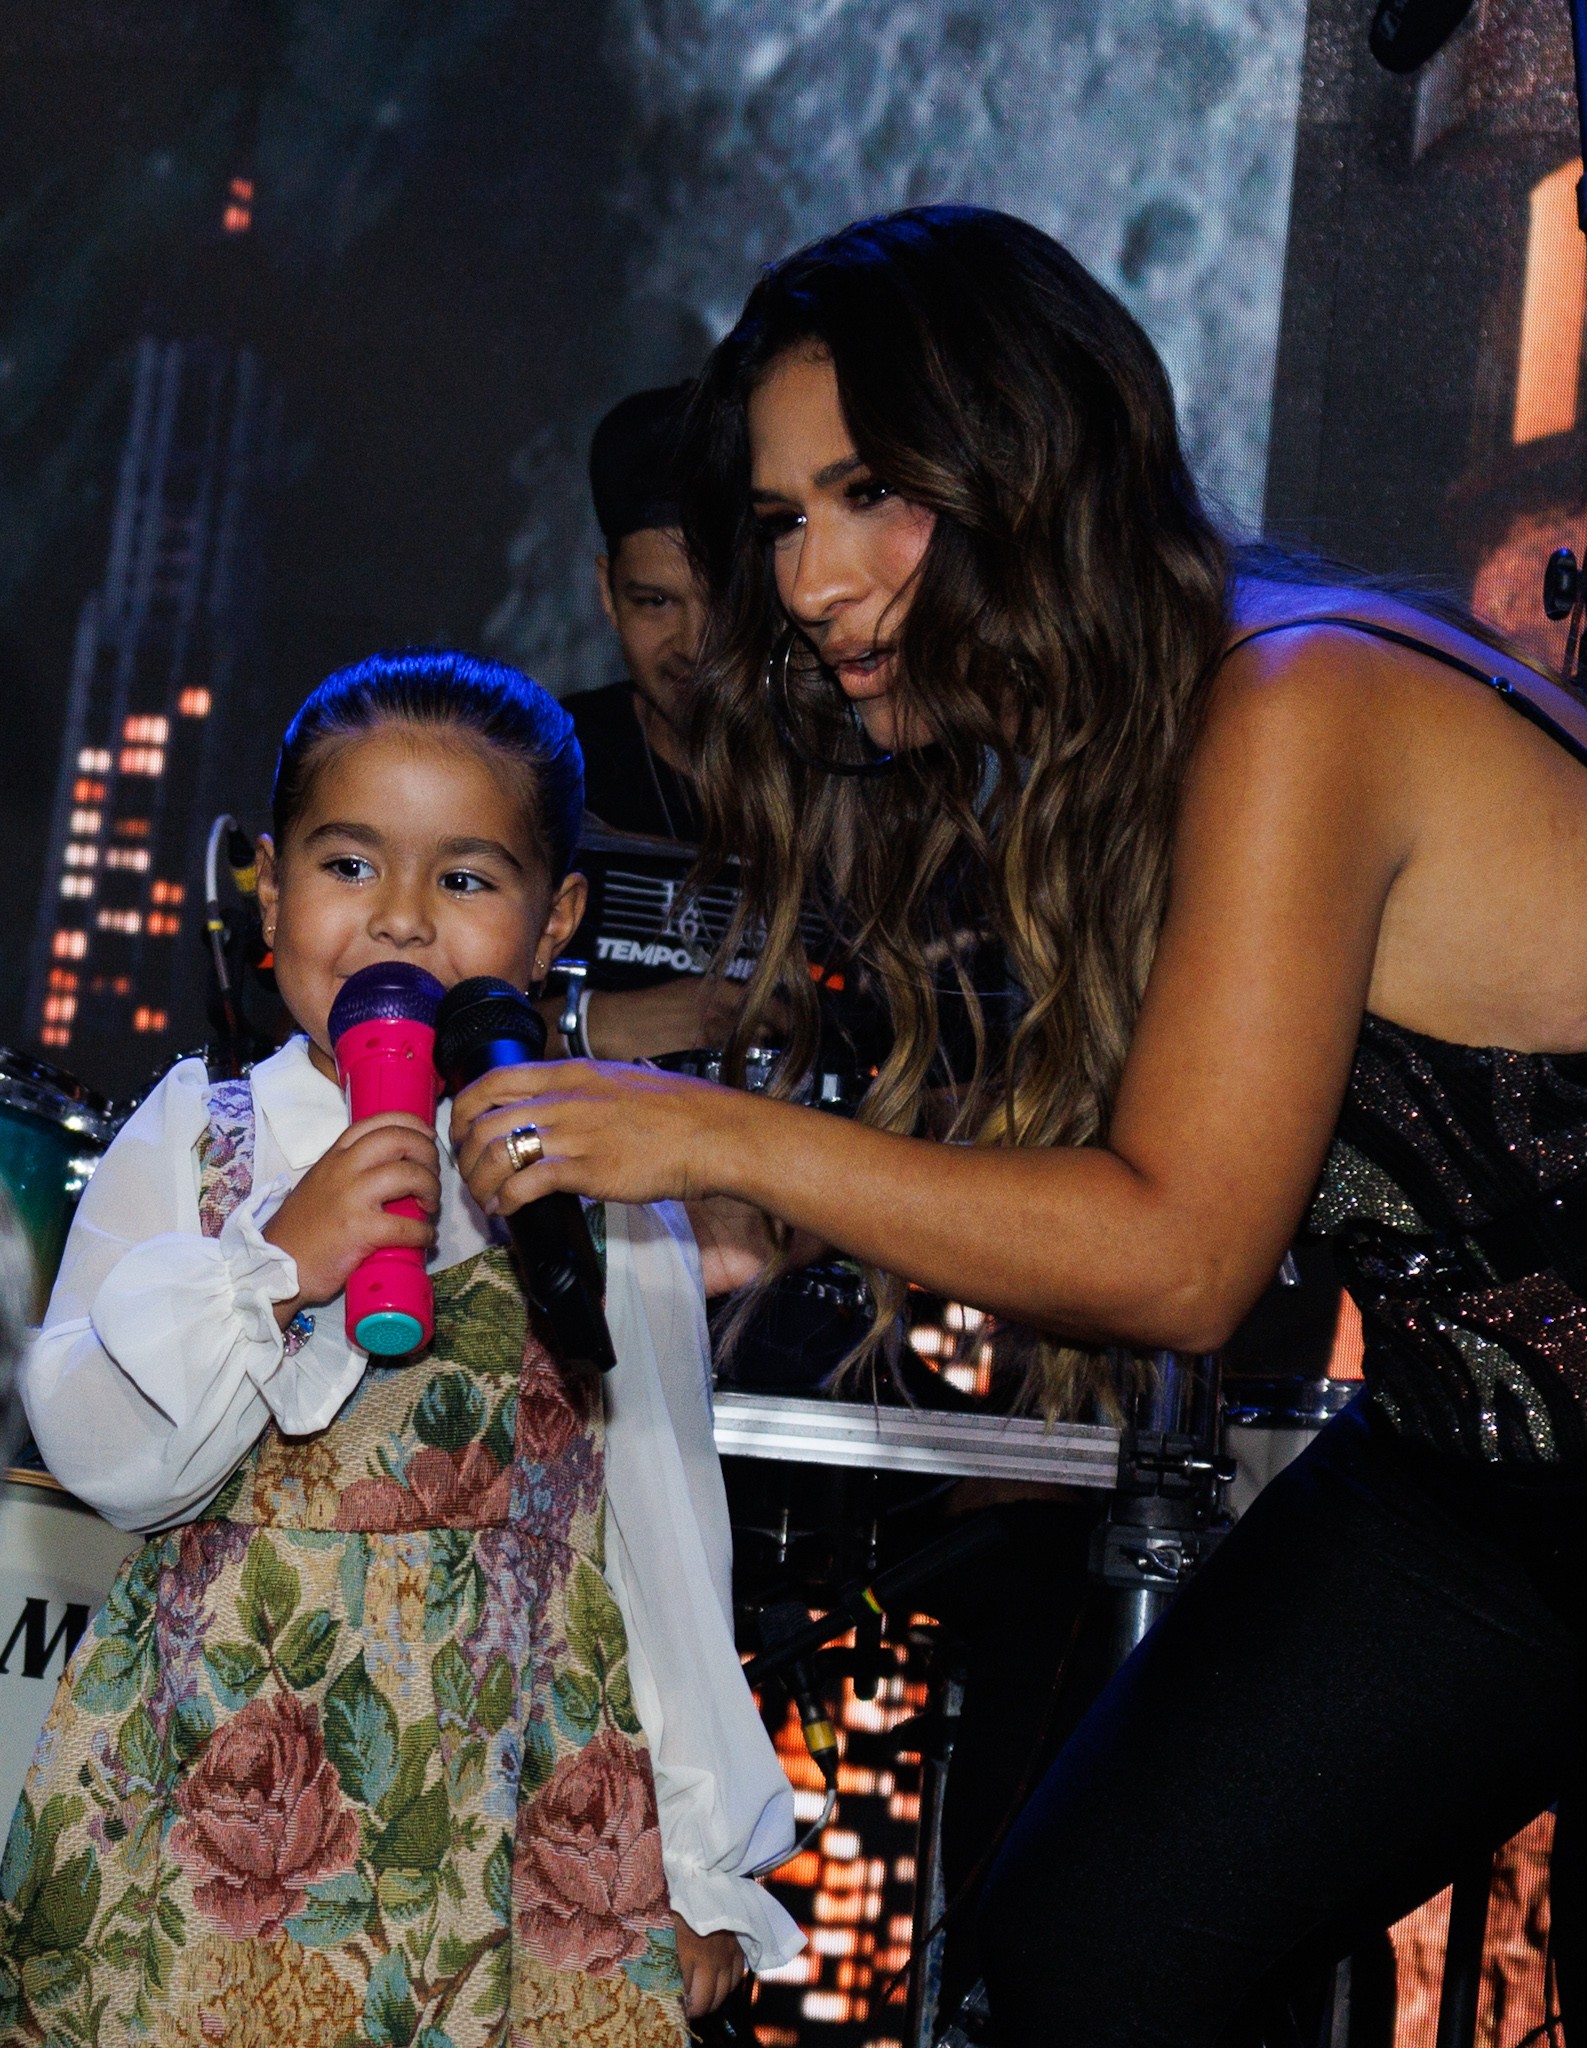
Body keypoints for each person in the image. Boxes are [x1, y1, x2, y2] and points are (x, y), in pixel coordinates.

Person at [439, 206, 1587, 2042]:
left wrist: (715, 1140)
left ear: (1024, 463)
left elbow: (1186, 1255)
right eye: (781, 519)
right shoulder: (1130, 751)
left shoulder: (1296, 703)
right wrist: (781, 1220)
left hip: (1500, 1476)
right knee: (1079, 1965)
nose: (810, 583)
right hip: (1483, 1469)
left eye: (867, 493)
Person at [10, 650, 800, 2045]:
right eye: (350, 863)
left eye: (466, 879)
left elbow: (668, 1530)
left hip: (522, 1842)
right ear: (270, 890)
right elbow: (109, 1454)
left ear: (555, 920)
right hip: (203, 1839)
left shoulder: (607, 1181)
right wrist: (279, 1259)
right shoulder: (201, 1136)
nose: (399, 921)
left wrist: (710, 1869)